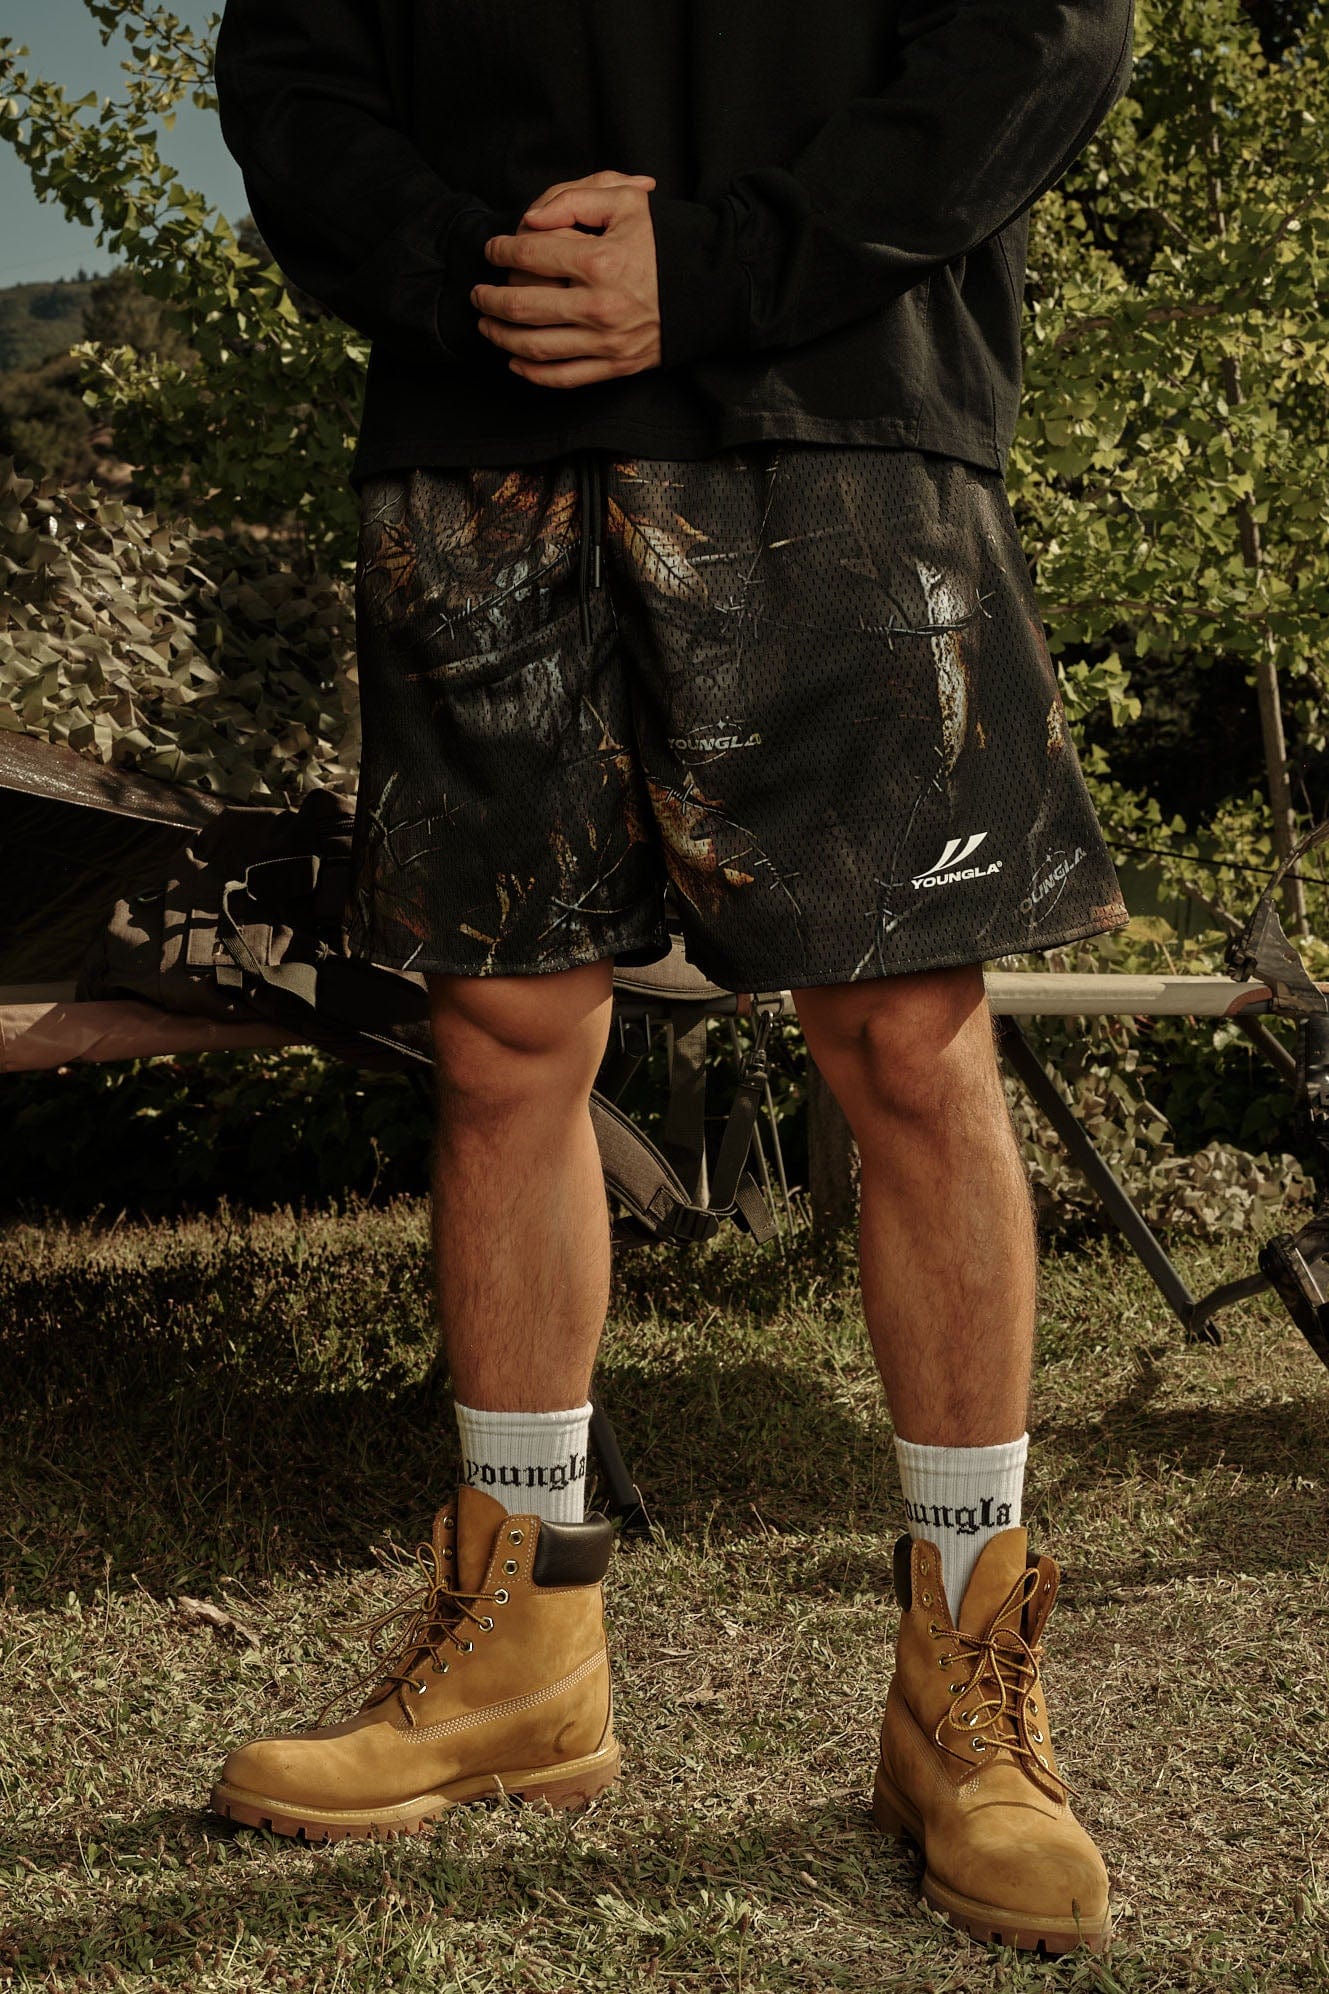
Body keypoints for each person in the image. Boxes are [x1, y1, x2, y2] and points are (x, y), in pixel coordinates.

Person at [212, 0, 1134, 1954]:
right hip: (483, 420)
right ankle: (521, 1651)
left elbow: (1050, 30)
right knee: (498, 1035)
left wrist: (710, 269)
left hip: (836, 394)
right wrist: (472, 270)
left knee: (904, 1032)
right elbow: (293, 66)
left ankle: (961, 1679)